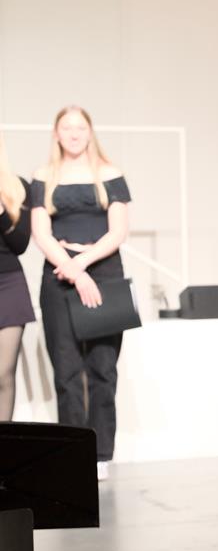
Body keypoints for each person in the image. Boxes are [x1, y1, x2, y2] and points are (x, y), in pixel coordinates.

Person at [30, 106, 131, 481]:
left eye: (80, 127)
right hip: (59, 275)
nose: (74, 133)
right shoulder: (44, 177)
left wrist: (83, 264)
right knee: (66, 371)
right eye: (66, 127)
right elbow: (41, 233)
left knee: (103, 368)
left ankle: (101, 453)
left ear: (90, 132)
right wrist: (71, 269)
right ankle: (73, 453)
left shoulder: (110, 174)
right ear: (56, 134)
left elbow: (117, 231)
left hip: (103, 272)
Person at [0, 132, 34, 421]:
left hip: (8, 285)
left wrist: (1, 210)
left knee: (2, 372)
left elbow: (21, 244)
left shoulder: (18, 187)